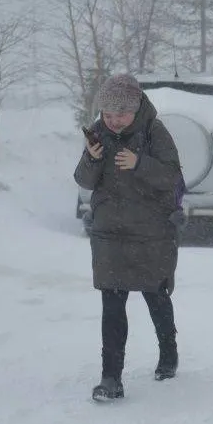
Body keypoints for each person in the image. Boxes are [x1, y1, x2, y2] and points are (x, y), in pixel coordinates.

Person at [73, 74, 184, 401]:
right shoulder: (98, 134)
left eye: (120, 114)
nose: (114, 121)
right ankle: (111, 378)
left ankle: (168, 352)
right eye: (108, 115)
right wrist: (92, 158)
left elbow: (173, 177)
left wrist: (139, 163)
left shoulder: (154, 131)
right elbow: (84, 180)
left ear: (135, 109)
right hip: (110, 234)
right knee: (112, 305)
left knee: (156, 296)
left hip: (150, 233)